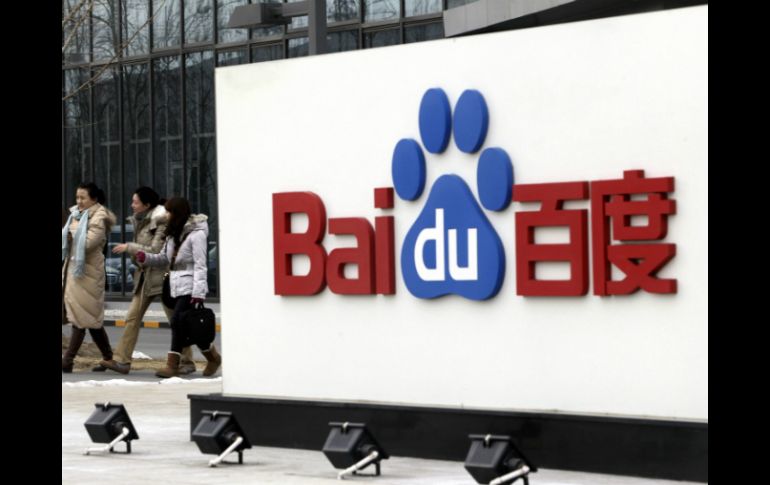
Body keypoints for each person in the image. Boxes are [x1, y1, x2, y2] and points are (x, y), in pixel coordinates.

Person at [98, 187, 197, 375]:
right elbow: (142, 254)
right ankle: (122, 361)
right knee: (132, 318)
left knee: (177, 321)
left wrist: (129, 247)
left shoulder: (161, 222)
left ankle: (191, 360)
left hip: (163, 279)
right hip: (145, 278)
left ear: (147, 204)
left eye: (135, 202)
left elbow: (156, 250)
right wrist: (135, 254)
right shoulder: (141, 222)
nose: (132, 205)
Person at [136, 197, 221, 378]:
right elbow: (164, 258)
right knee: (188, 326)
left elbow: (200, 265)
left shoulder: (197, 235)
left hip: (190, 287)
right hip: (175, 285)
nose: (166, 215)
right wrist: (146, 257)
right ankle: (213, 357)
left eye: (169, 211)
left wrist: (198, 293)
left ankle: (172, 365)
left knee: (176, 322)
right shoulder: (173, 233)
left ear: (177, 213)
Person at [62, 182, 117, 373]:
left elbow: (87, 244)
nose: (79, 201)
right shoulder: (76, 215)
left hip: (89, 274)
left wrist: (71, 231)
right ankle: (108, 357)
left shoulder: (99, 217)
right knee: (91, 320)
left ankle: (67, 360)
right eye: (77, 197)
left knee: (82, 318)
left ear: (94, 199)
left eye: (83, 197)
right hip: (75, 272)